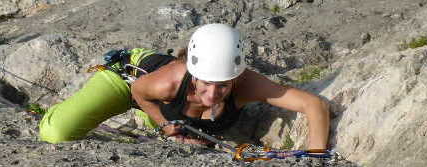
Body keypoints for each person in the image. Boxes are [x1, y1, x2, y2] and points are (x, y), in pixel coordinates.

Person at [38, 23, 331, 150]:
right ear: (194, 74)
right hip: (129, 81)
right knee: (56, 133)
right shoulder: (171, 81)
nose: (213, 95)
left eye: (223, 86)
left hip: (159, 95)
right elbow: (139, 90)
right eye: (205, 84)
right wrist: (165, 126)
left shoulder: (246, 83)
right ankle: (53, 112)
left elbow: (313, 105)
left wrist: (316, 157)